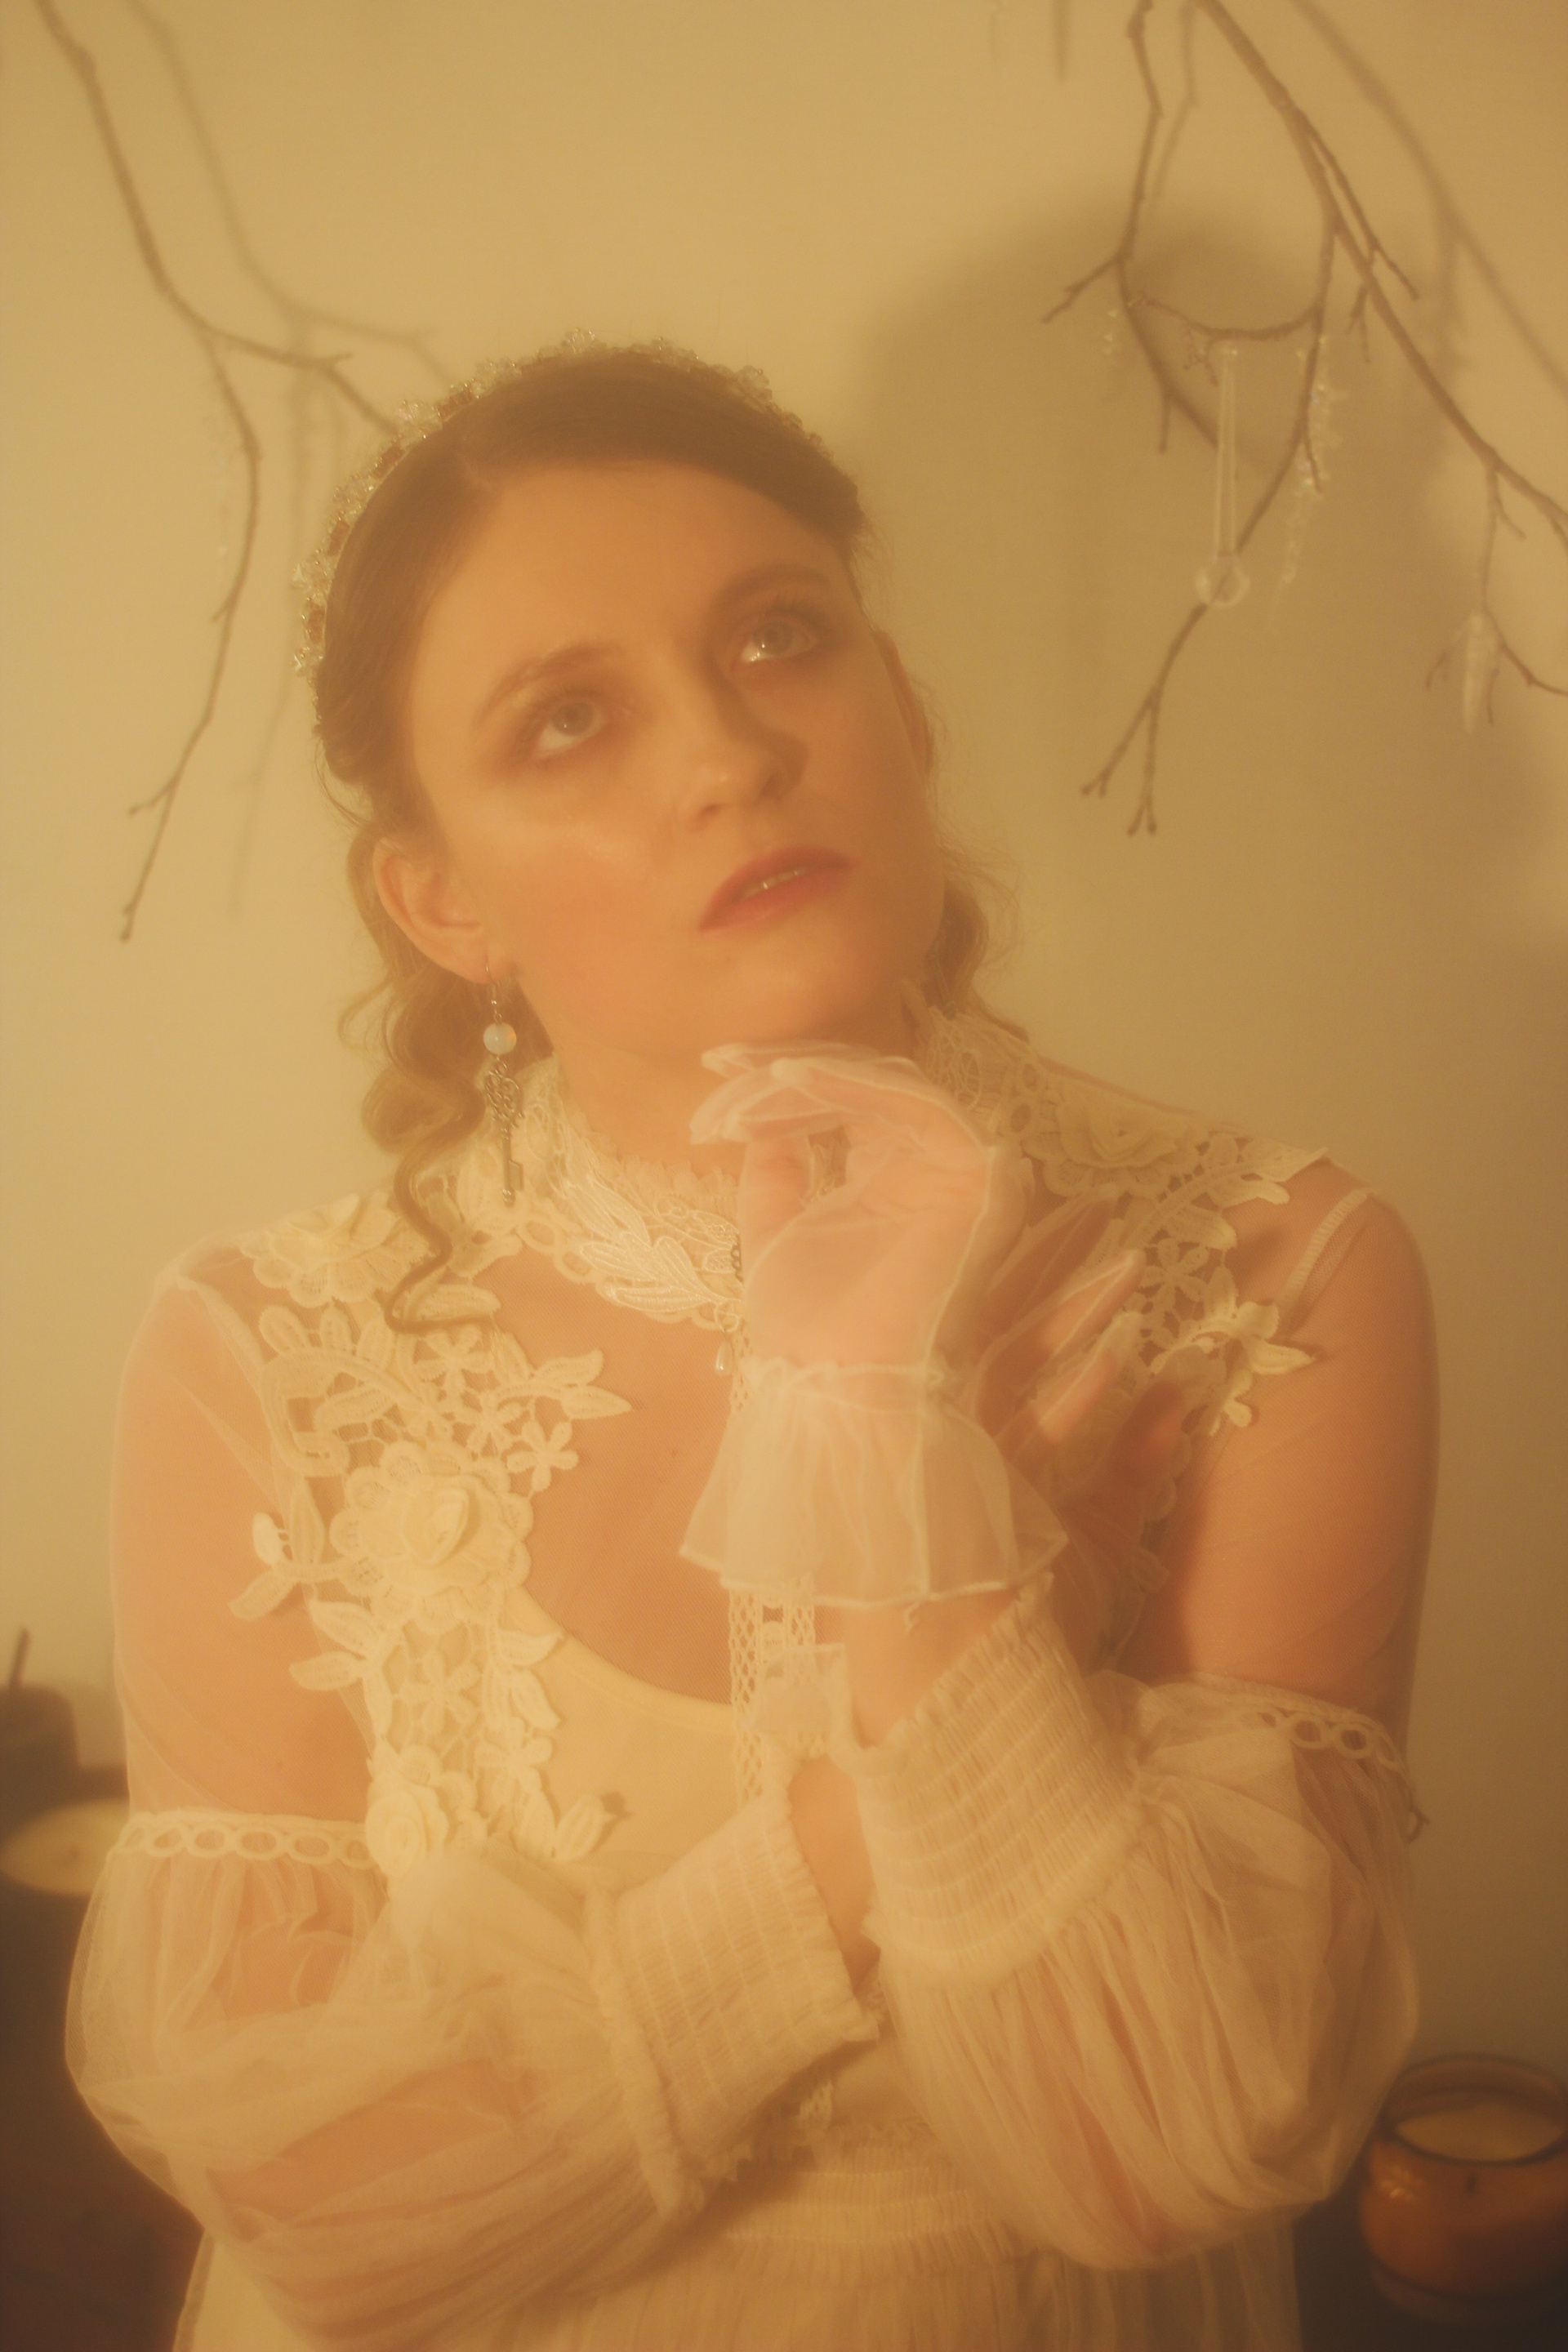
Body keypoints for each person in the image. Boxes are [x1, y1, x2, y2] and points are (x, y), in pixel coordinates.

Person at [69, 336, 1437, 2352]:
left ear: (903, 706)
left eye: (780, 637)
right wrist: (891, 1773)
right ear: (441, 901)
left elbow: (1156, 2155)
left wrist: (900, 1507)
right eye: (567, 722)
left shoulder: (1276, 1264)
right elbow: (335, 2232)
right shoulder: (266, 1354)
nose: (726, 753)